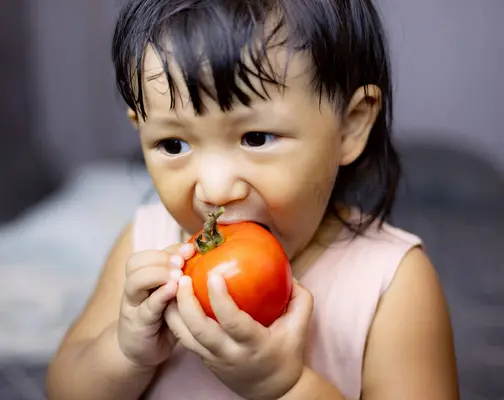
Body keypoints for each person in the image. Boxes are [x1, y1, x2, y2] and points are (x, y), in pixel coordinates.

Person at [46, 0, 459, 399]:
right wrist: (125, 353)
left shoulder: (392, 283)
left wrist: (285, 387)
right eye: (173, 144)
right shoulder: (147, 243)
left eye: (256, 138)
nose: (215, 190)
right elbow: (63, 388)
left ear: (349, 126)